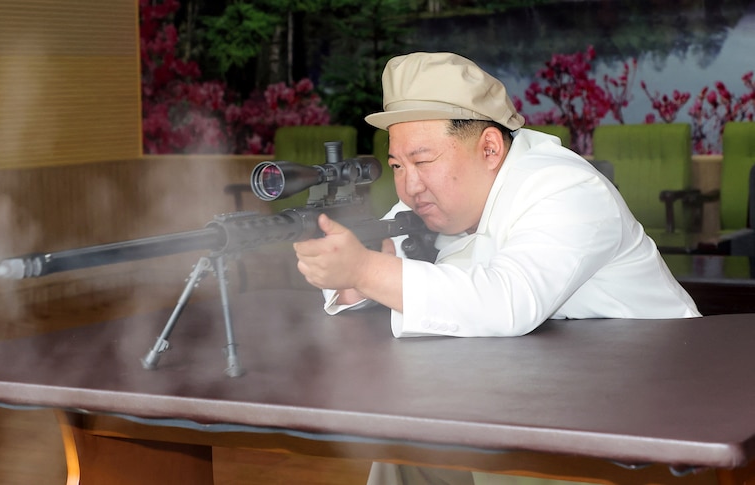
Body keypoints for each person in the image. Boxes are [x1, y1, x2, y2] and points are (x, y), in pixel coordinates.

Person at [292, 52, 701, 484]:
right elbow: (382, 264)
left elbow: (508, 300)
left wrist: (367, 273)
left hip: (651, 419)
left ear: (489, 147)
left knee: (501, 459)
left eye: (424, 161)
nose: (410, 185)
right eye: (397, 166)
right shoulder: (432, 203)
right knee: (406, 444)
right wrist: (356, 284)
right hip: (544, 387)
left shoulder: (563, 186)